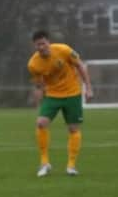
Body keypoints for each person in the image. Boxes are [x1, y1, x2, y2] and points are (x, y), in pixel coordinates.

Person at [27, 30, 93, 177]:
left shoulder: (64, 50)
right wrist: (38, 101)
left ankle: (71, 166)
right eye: (38, 45)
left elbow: (80, 66)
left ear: (48, 42)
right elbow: (39, 85)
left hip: (73, 94)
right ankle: (44, 163)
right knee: (41, 123)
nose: (41, 47)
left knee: (73, 129)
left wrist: (88, 88)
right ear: (35, 46)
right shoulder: (33, 64)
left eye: (43, 43)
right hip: (52, 95)